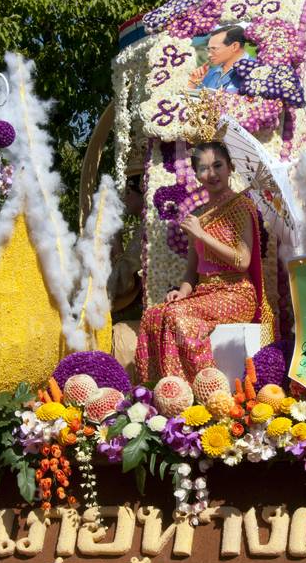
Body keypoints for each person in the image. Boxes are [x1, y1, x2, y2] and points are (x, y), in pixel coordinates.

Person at [136, 140, 272, 382]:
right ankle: (160, 391)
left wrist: (202, 235)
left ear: (230, 168)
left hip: (236, 294)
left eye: (218, 165)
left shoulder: (241, 207)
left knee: (177, 316)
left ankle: (205, 386)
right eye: (204, 168)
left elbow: (242, 261)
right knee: (153, 315)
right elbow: (192, 272)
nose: (212, 173)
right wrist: (182, 292)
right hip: (204, 293)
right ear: (197, 175)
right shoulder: (199, 216)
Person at [110, 175, 144, 315]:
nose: (124, 199)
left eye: (128, 192)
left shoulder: (148, 227)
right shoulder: (144, 226)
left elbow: (124, 282)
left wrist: (116, 240)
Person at [188, 25, 247, 93]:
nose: (209, 55)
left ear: (234, 46)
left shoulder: (256, 71)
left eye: (214, 49)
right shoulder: (209, 73)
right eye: (208, 49)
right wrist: (193, 83)